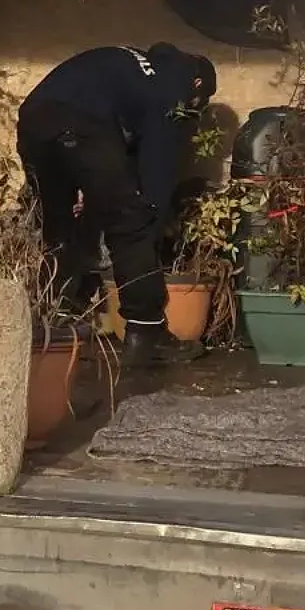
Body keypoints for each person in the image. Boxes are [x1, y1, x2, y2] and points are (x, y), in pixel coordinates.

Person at [16, 42, 217, 367]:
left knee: (58, 225)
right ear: (197, 85)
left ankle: (56, 323)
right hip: (83, 123)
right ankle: (147, 330)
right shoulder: (173, 88)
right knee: (131, 222)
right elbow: (155, 176)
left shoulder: (134, 67)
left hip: (34, 119)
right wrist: (152, 218)